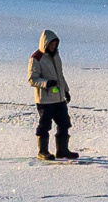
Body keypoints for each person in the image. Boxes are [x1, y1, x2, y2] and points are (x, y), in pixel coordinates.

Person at [28, 30, 76, 159]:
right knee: (45, 125)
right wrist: (46, 83)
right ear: (45, 43)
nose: (53, 47)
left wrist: (66, 90)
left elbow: (60, 75)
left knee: (64, 123)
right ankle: (42, 151)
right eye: (51, 44)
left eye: (55, 44)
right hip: (45, 100)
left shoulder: (56, 56)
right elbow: (32, 79)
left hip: (59, 98)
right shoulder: (36, 58)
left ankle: (62, 150)